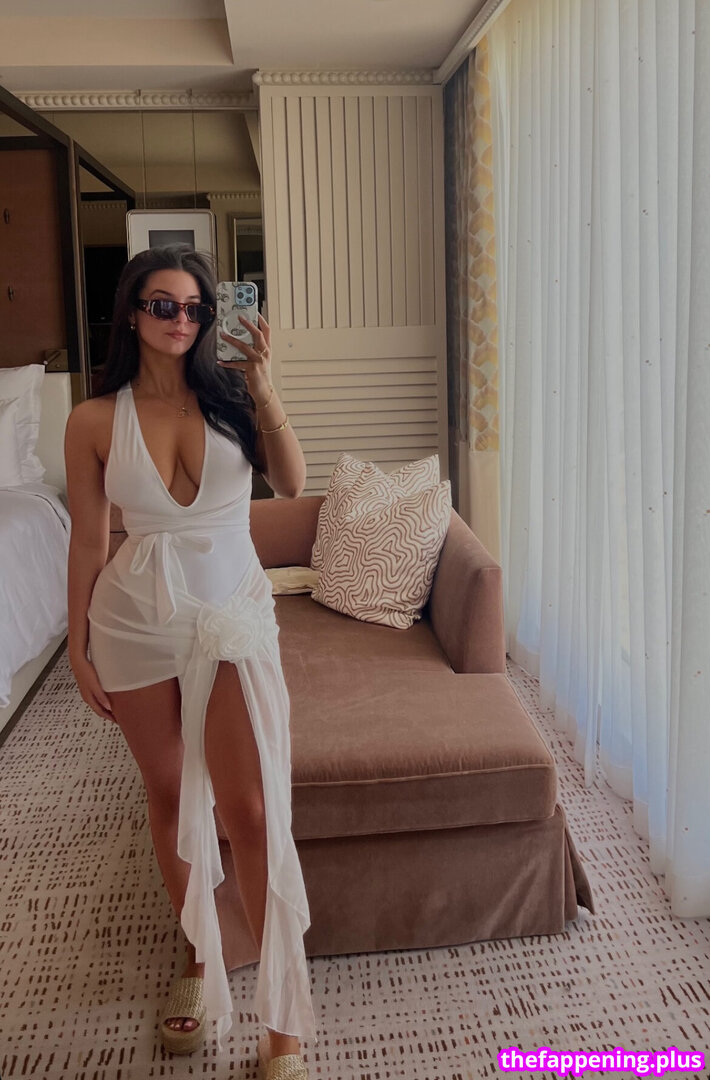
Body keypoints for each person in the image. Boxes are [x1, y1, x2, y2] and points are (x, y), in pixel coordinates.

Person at [64, 244, 317, 1079]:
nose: (183, 320)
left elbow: (292, 482)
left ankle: (281, 1023)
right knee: (172, 796)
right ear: (132, 313)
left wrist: (265, 385)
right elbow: (90, 539)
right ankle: (202, 955)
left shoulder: (233, 397)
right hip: (133, 622)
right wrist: (78, 643)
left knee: (249, 807)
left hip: (230, 618)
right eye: (165, 305)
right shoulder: (93, 420)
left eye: (197, 307)